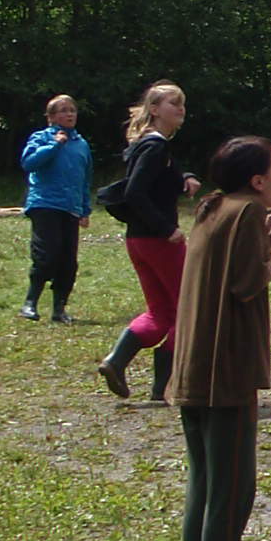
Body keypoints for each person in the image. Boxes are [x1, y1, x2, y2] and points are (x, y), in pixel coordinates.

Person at [167, 136, 271, 541]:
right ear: (257, 180)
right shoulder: (245, 213)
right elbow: (246, 283)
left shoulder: (213, 208)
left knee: (205, 492)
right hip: (225, 375)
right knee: (230, 494)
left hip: (196, 371)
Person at [97, 82, 200, 403]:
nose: (180, 109)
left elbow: (155, 181)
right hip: (158, 240)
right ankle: (162, 388)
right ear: (154, 110)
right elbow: (135, 192)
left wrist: (184, 178)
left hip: (138, 240)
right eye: (173, 103)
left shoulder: (149, 144)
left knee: (160, 312)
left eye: (182, 103)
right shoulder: (156, 147)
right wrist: (166, 228)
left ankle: (116, 362)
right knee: (188, 310)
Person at [19, 94, 93, 323]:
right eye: (63, 110)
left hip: (70, 207)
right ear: (51, 117)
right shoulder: (41, 138)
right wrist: (54, 144)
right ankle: (30, 303)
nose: (70, 114)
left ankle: (59, 309)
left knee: (68, 261)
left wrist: (85, 209)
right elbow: (29, 163)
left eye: (72, 110)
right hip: (45, 203)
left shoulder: (81, 145)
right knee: (46, 255)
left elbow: (85, 178)